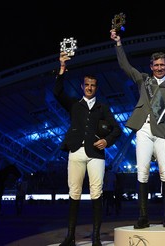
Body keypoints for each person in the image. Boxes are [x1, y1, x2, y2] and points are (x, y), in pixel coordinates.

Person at [110, 29, 165, 229]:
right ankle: (143, 217)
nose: (160, 67)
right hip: (143, 131)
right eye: (156, 65)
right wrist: (118, 43)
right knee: (142, 173)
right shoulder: (143, 79)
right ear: (151, 66)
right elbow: (124, 65)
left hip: (163, 133)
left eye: (163, 65)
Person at [53, 52, 122, 246]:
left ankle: (96, 238)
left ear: (96, 88)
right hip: (75, 151)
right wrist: (62, 69)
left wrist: (107, 141)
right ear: (82, 86)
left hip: (96, 156)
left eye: (93, 85)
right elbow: (57, 93)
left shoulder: (103, 107)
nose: (90, 88)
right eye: (87, 85)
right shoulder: (74, 105)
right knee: (74, 192)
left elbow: (117, 129)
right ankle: (70, 237)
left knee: (96, 193)